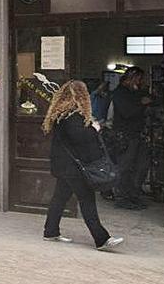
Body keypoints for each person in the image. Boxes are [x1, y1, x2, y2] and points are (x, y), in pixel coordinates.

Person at [41, 80, 124, 251]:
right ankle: (102, 239)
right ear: (81, 96)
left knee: (60, 198)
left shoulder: (61, 113)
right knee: (87, 200)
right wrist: (94, 128)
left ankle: (50, 231)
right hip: (73, 168)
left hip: (64, 166)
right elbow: (81, 138)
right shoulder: (72, 115)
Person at [110, 67, 152, 210]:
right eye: (138, 79)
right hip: (125, 135)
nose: (140, 82)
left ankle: (133, 194)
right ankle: (122, 197)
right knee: (124, 167)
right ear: (132, 78)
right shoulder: (119, 93)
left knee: (141, 166)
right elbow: (127, 112)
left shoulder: (135, 93)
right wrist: (142, 103)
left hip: (137, 134)